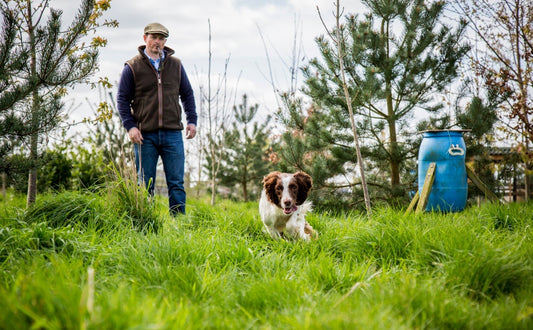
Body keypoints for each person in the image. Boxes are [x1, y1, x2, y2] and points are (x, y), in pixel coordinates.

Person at [117, 22, 197, 215]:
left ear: (165, 41)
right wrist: (130, 127)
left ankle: (178, 226)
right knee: (145, 184)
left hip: (172, 134)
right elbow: (122, 99)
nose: (157, 42)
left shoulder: (176, 65)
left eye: (161, 38)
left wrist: (192, 120)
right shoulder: (132, 67)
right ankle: (145, 223)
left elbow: (187, 94)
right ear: (145, 38)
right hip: (145, 135)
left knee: (177, 183)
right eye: (153, 38)